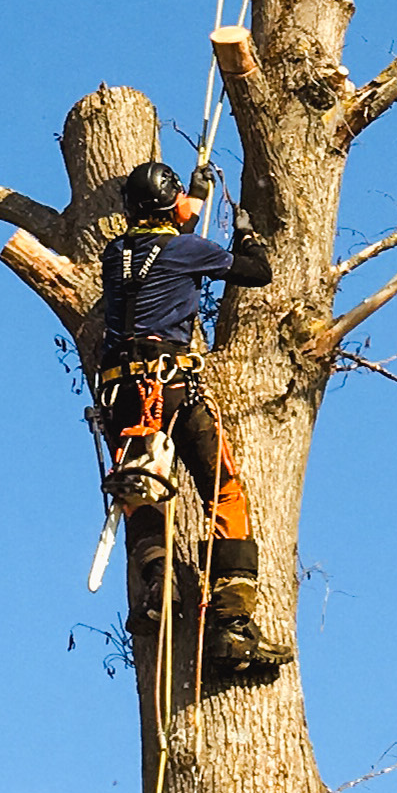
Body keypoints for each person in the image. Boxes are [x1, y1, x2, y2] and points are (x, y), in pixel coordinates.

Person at [97, 159, 288, 676]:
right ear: (170, 206)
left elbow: (159, 247)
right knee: (224, 491)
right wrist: (247, 238)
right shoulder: (187, 250)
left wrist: (194, 199)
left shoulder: (116, 255)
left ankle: (159, 589)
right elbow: (255, 274)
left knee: (141, 492)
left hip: (121, 395)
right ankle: (232, 621)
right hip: (171, 385)